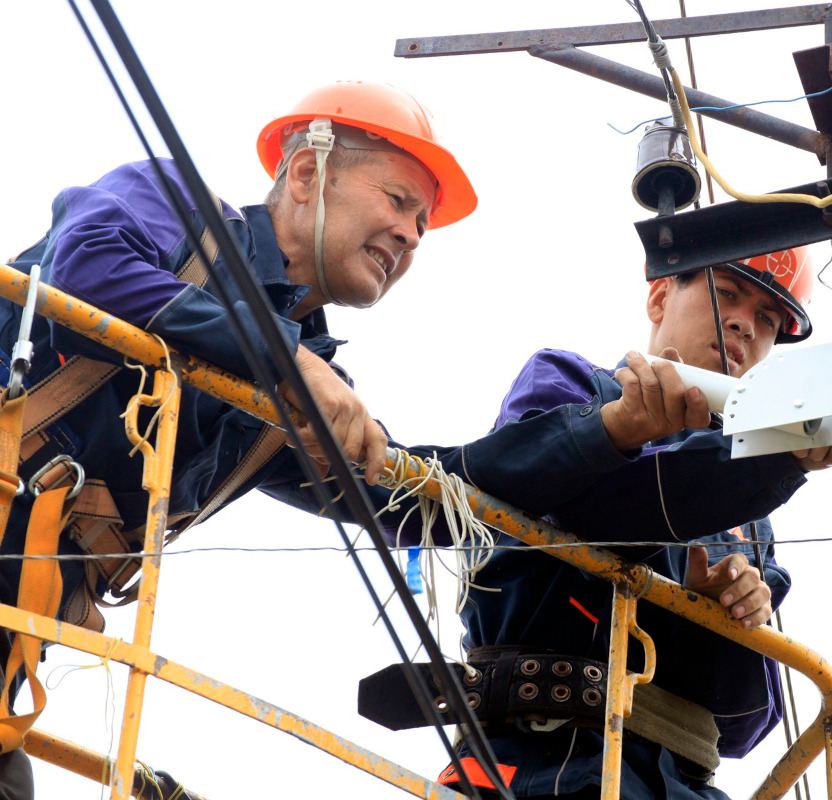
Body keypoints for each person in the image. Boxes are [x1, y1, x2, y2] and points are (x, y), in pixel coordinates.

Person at [0, 79, 476, 798]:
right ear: (310, 173)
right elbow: (89, 263)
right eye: (399, 201)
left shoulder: (301, 389)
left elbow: (416, 499)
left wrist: (606, 440)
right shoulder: (178, 212)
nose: (412, 234)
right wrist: (285, 358)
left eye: (423, 224)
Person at [433, 248, 832, 798]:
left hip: (679, 785)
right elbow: (582, 507)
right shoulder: (574, 389)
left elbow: (743, 726)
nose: (744, 322)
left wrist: (722, 616)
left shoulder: (751, 522)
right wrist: (775, 460)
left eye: (768, 318)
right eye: (726, 294)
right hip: (538, 764)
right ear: (659, 295)